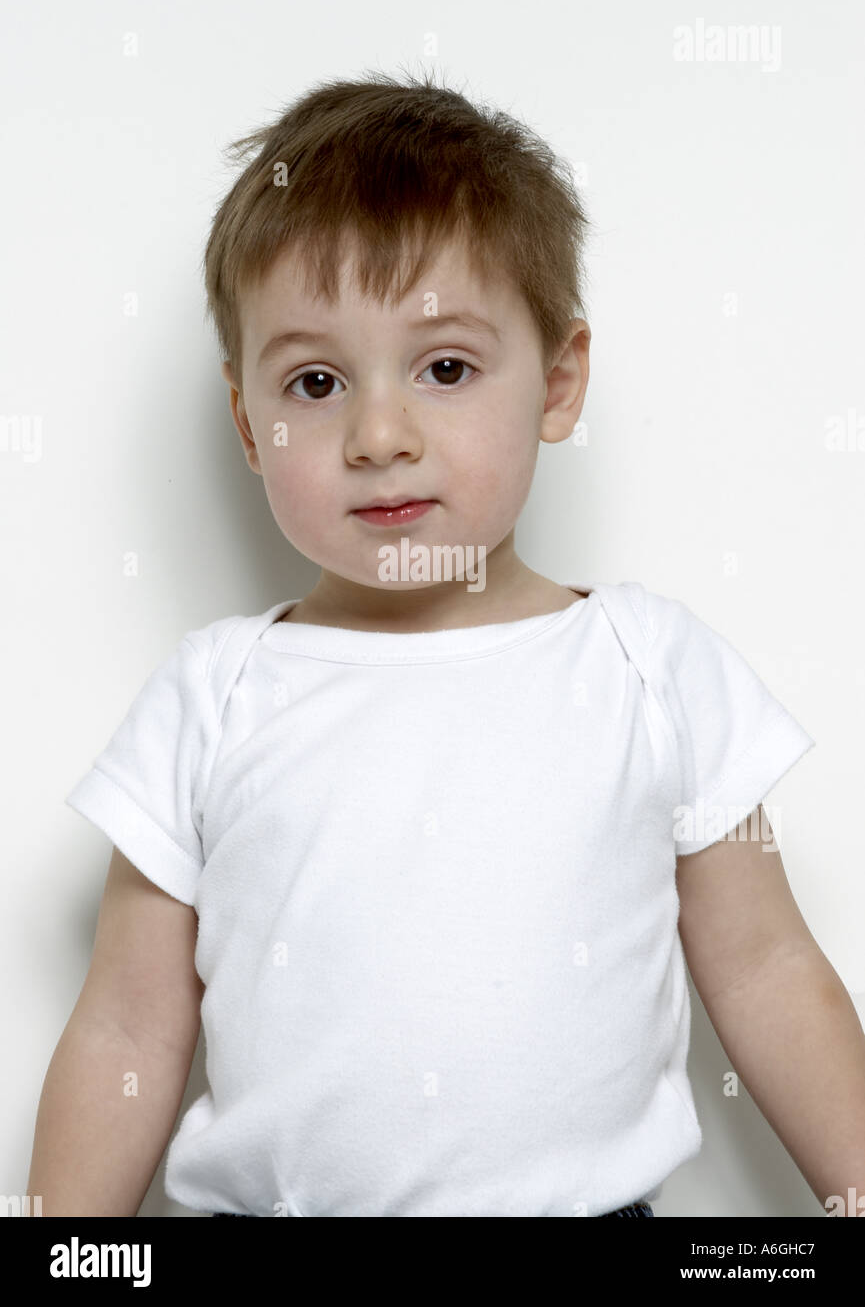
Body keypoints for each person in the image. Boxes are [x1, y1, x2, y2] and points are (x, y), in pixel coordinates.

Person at [27, 68, 860, 1219]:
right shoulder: (213, 694)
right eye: (315, 382)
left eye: (446, 368)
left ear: (558, 383)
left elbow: (769, 969)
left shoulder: (648, 667)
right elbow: (124, 1022)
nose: (379, 434)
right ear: (247, 425)